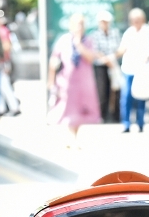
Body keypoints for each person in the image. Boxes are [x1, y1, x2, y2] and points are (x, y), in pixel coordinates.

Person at [48, 13, 101, 148]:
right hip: (67, 82)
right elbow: (54, 60)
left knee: (81, 110)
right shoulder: (64, 40)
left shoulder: (88, 41)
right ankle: (71, 137)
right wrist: (51, 80)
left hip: (84, 82)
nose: (79, 27)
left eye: (82, 24)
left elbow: (90, 58)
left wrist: (79, 44)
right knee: (68, 110)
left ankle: (76, 137)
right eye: (77, 24)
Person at [115, 8, 149, 133]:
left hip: (143, 70)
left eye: (138, 20)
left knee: (141, 96)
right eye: (134, 20)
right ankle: (126, 123)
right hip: (129, 69)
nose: (136, 22)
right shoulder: (128, 32)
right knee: (126, 97)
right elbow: (122, 49)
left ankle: (140, 123)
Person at [90, 10, 121, 123]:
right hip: (101, 66)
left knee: (116, 90)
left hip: (114, 65)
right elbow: (95, 51)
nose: (104, 24)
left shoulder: (115, 33)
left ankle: (115, 116)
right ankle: (101, 116)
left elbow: (119, 48)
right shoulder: (95, 35)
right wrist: (106, 60)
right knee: (101, 91)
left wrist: (112, 58)